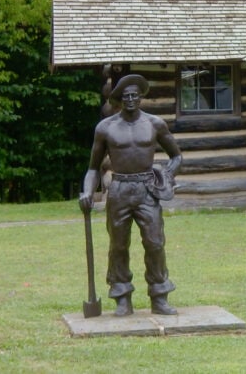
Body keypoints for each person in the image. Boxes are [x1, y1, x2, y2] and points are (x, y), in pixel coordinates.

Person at [79, 74, 183, 316]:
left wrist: (166, 176)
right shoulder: (105, 128)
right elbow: (93, 168)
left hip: (147, 189)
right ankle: (122, 295)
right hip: (119, 190)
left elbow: (176, 156)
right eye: (126, 96)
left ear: (141, 97)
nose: (130, 99)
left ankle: (159, 296)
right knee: (118, 245)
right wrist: (87, 191)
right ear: (118, 99)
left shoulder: (155, 124)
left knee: (155, 243)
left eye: (135, 95)